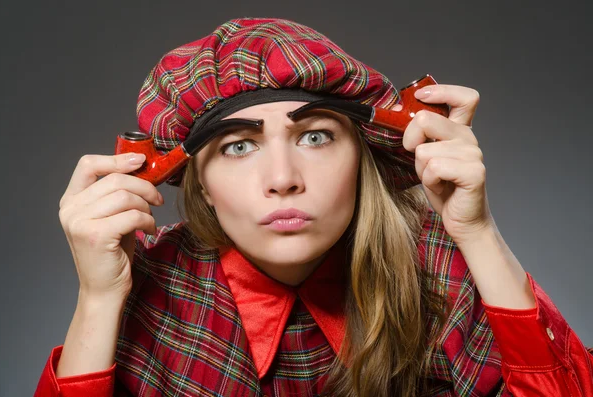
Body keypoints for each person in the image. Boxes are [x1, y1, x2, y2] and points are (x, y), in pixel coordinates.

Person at [34, 17, 593, 397]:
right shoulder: (147, 281)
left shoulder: (436, 264)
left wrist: (477, 231)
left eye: (315, 137)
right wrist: (98, 298)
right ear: (199, 183)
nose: (282, 180)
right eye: (238, 145)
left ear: (362, 155)